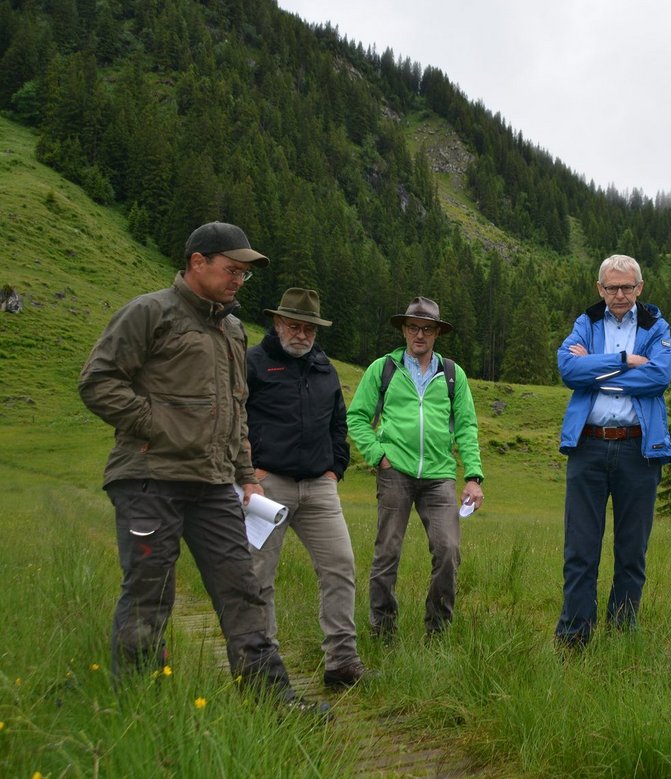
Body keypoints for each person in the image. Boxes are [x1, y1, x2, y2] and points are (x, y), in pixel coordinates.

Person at [78, 221, 318, 712]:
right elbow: (98, 381)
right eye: (232, 269)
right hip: (148, 479)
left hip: (214, 485)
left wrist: (245, 475)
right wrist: (157, 423)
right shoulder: (150, 312)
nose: (238, 280)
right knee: (149, 593)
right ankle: (139, 705)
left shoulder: (232, 330)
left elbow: (236, 409)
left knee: (243, 588)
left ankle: (272, 701)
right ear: (197, 262)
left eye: (244, 274)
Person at [246, 288, 370, 689]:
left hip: (319, 488)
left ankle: (342, 662)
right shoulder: (253, 363)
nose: (301, 335)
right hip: (267, 486)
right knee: (258, 574)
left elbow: (338, 422)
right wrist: (248, 472)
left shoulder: (323, 367)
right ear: (277, 323)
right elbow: (233, 419)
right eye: (294, 326)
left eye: (309, 329)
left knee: (340, 566)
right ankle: (263, 665)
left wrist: (335, 469)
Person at [554, 255, 671, 649]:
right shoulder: (586, 323)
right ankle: (574, 640)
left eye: (626, 287)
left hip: (638, 448)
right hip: (587, 446)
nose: (619, 294)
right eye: (611, 287)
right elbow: (568, 370)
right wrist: (623, 361)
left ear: (640, 288)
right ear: (599, 288)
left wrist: (595, 372)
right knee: (580, 550)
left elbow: (658, 376)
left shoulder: (655, 326)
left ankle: (622, 638)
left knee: (631, 551)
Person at [346, 296, 484, 639]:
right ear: (404, 330)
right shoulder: (383, 369)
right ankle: (382, 631)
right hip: (395, 472)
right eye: (413, 327)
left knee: (448, 550)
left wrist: (473, 477)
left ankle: (437, 631)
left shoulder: (452, 374)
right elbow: (357, 417)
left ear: (437, 333)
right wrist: (379, 456)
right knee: (387, 551)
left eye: (427, 329)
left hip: (439, 477)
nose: (419, 334)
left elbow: (466, 427)